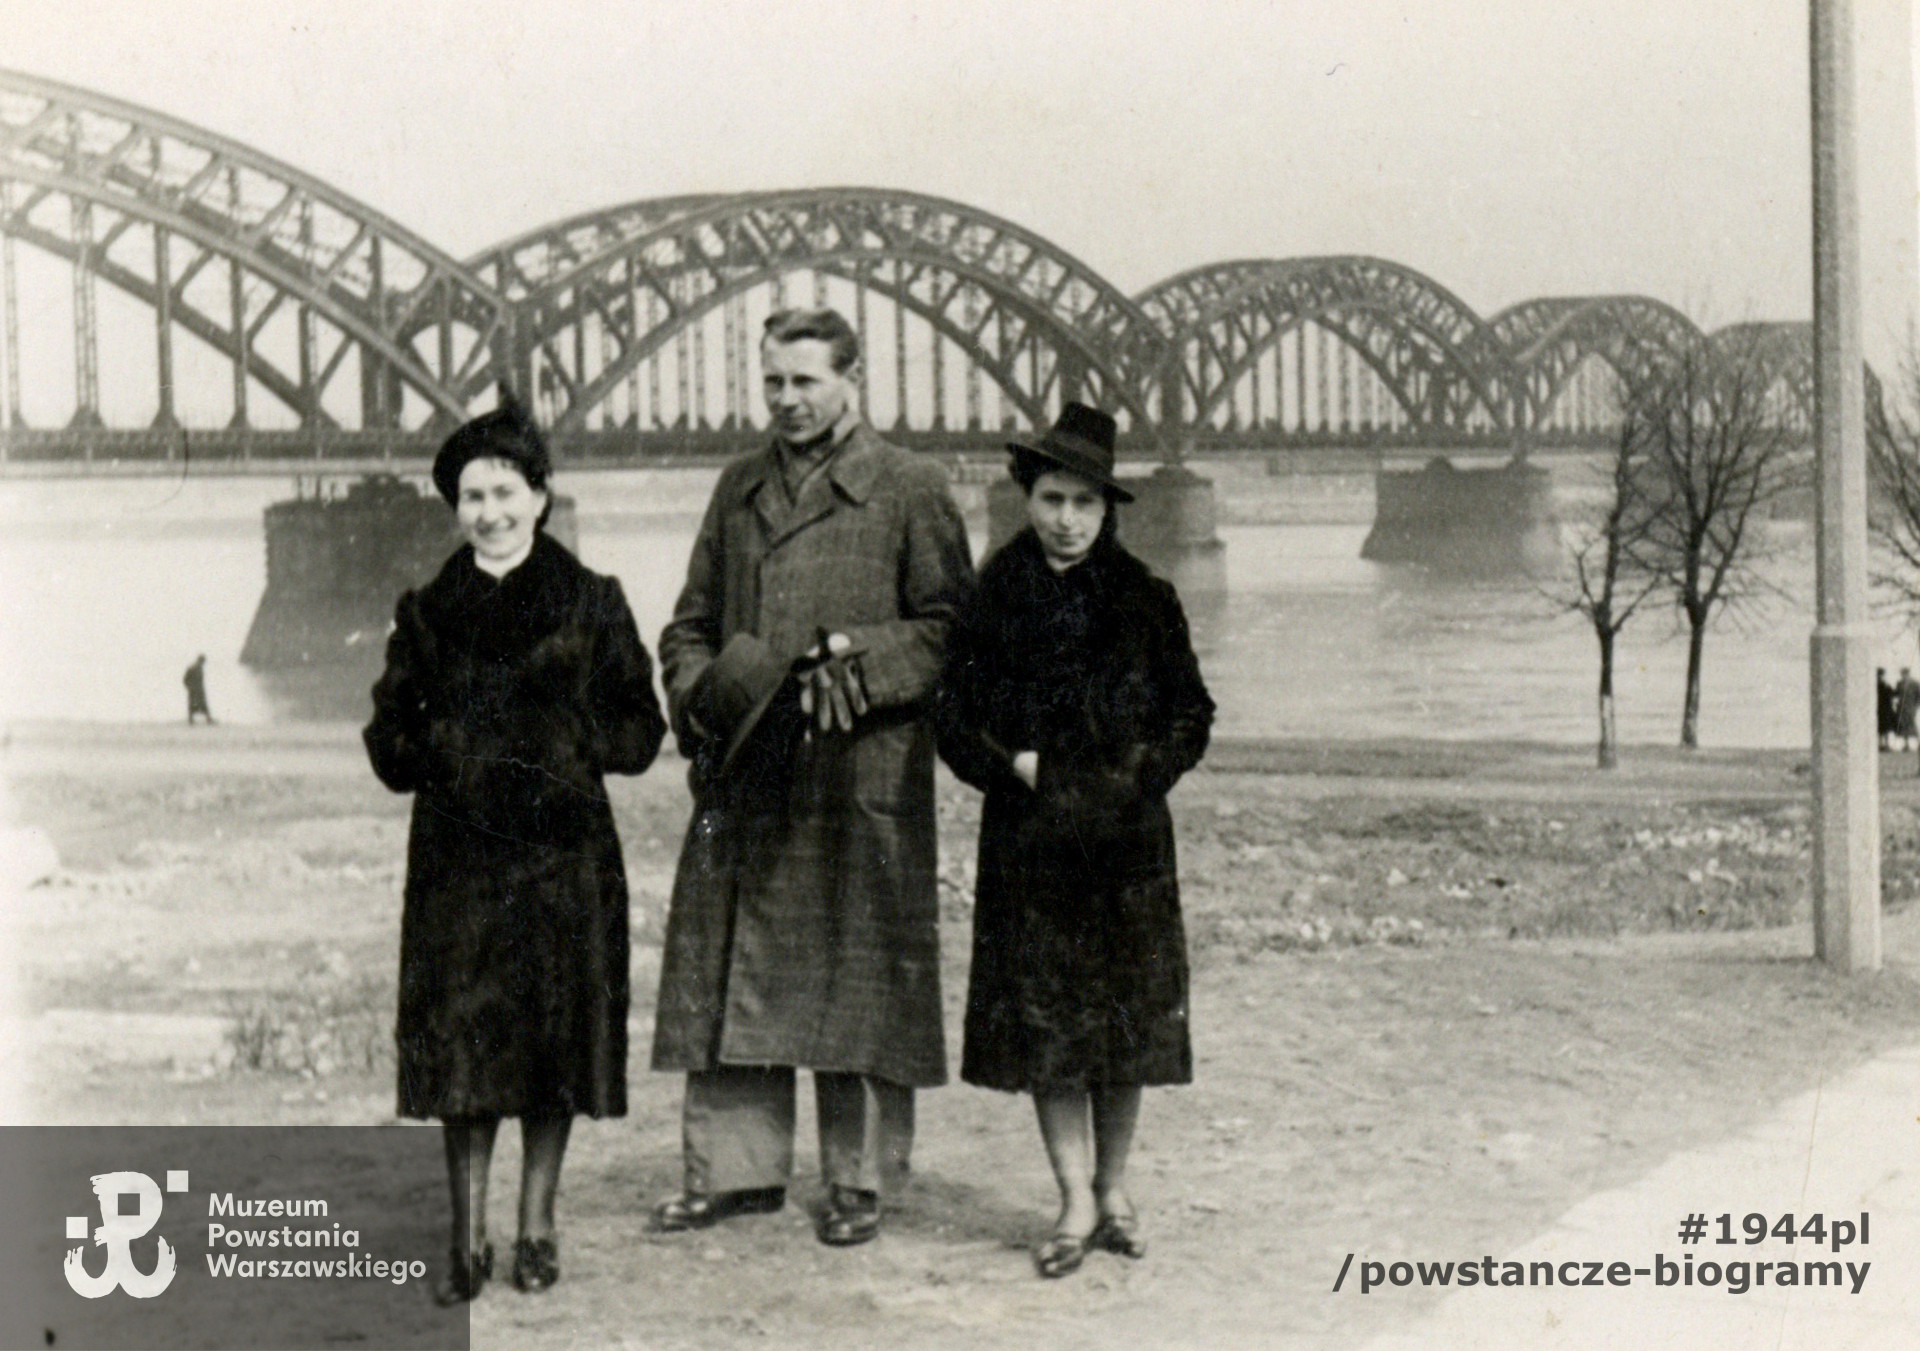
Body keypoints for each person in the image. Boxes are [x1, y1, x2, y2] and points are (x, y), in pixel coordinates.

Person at [649, 307, 974, 1247]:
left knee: (857, 969)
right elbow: (688, 623)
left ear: (851, 377)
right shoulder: (738, 484)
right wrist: (705, 693)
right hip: (748, 763)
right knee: (730, 964)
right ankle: (734, 1174)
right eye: (774, 383)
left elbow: (955, 631)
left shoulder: (911, 486)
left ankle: (858, 1181)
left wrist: (859, 658)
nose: (787, 401)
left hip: (857, 767)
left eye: (806, 381)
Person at [363, 391, 666, 1303]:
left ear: (540, 494)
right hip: (459, 860)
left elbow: (641, 730)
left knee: (551, 1044)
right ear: (454, 508)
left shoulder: (593, 600)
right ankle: (467, 1235)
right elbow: (388, 738)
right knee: (461, 1049)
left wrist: (572, 750)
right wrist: (442, 754)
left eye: (504, 491)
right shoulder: (427, 610)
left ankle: (537, 1223)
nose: (487, 513)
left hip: (561, 857)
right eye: (469, 496)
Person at [934, 402, 1214, 1279]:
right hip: (1033, 841)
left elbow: (1192, 714)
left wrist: (1144, 775)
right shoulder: (993, 598)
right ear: (1028, 496)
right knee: (1049, 1025)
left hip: (1129, 843)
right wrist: (1014, 766)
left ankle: (1115, 1186)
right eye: (1052, 498)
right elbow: (952, 718)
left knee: (1124, 1023)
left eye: (1084, 503)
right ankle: (1072, 1198)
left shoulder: (1148, 599)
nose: (1066, 519)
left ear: (1108, 508)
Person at [183, 655, 213, 725]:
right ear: (200, 661)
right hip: (194, 689)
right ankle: (192, 720)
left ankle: (207, 719)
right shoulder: (192, 668)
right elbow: (185, 679)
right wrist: (189, 687)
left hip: (198, 689)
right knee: (195, 704)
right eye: (203, 662)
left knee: (201, 704)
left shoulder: (198, 668)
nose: (203, 664)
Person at [1899, 667, 1920, 752]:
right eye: (1902, 674)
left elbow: (1919, 696)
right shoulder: (1900, 684)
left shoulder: (1915, 684)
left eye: (1905, 674)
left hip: (1911, 707)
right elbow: (1897, 694)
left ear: (1908, 674)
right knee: (1904, 725)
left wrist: (1916, 707)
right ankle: (1906, 744)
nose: (1903, 676)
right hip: (1902, 708)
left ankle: (1919, 743)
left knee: (1912, 725)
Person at [1879, 668, 1897, 752]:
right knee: (1883, 728)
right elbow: (1892, 694)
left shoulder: (1884, 684)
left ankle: (1883, 744)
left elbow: (1893, 694)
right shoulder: (1884, 685)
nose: (1881, 676)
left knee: (1883, 728)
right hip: (1883, 709)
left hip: (1883, 709)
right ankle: (1883, 744)